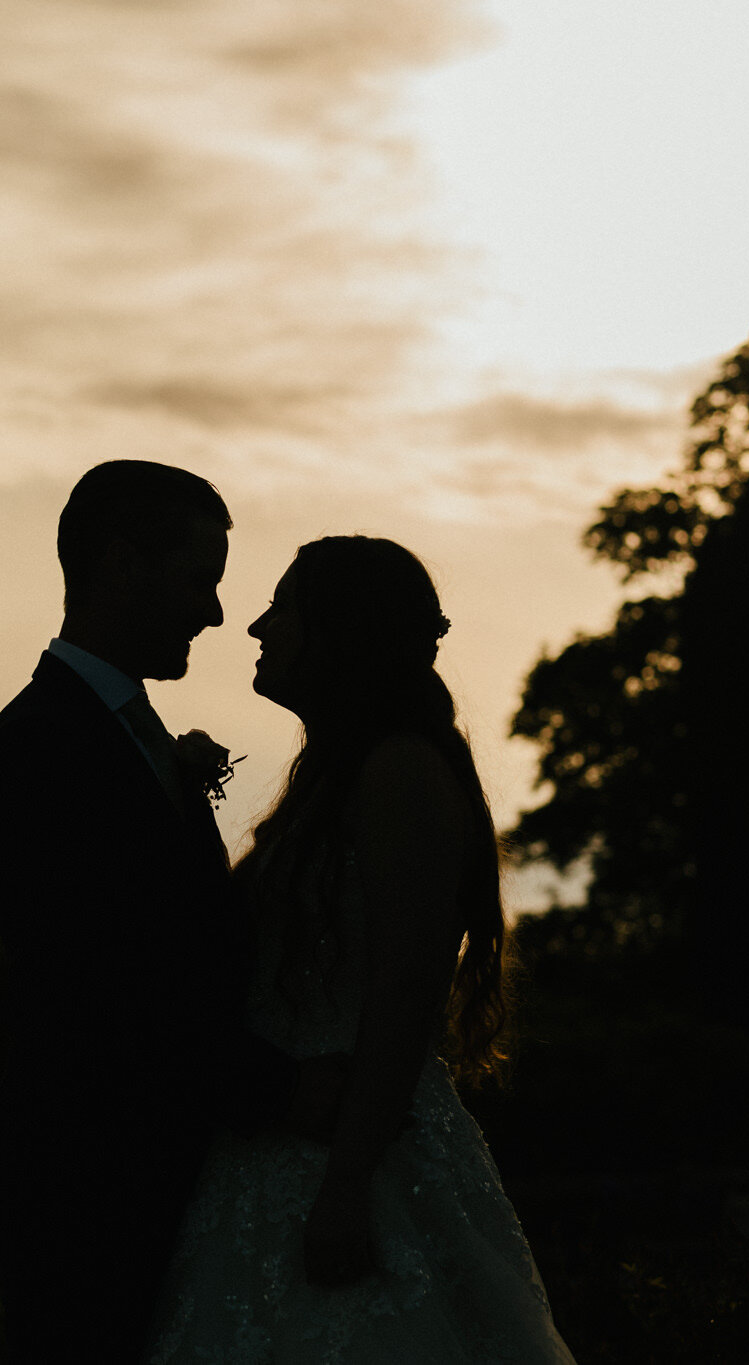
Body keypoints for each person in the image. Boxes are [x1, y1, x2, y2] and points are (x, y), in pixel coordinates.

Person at [149, 535, 576, 1364]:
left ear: (338, 629)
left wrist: (347, 1185)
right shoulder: (332, 779)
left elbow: (404, 993)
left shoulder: (402, 773)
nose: (258, 625)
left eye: (284, 606)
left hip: (355, 1150)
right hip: (275, 1144)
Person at [0, 462, 343, 1365]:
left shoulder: (126, 737)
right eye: (199, 580)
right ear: (122, 564)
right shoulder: (37, 746)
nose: (215, 613)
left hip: (176, 1181)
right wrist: (285, 1088)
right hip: (95, 1193)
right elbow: (102, 991)